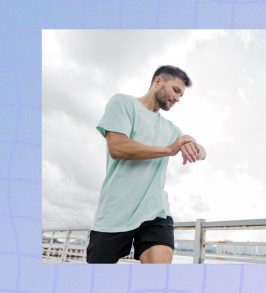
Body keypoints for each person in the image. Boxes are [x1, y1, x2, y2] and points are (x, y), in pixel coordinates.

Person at [86, 65, 206, 264]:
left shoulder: (170, 128)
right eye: (176, 90)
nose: (178, 98)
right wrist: (168, 150)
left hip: (155, 212)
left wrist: (195, 146)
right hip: (115, 212)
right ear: (158, 81)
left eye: (181, 95)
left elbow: (202, 153)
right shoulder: (123, 103)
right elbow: (117, 148)